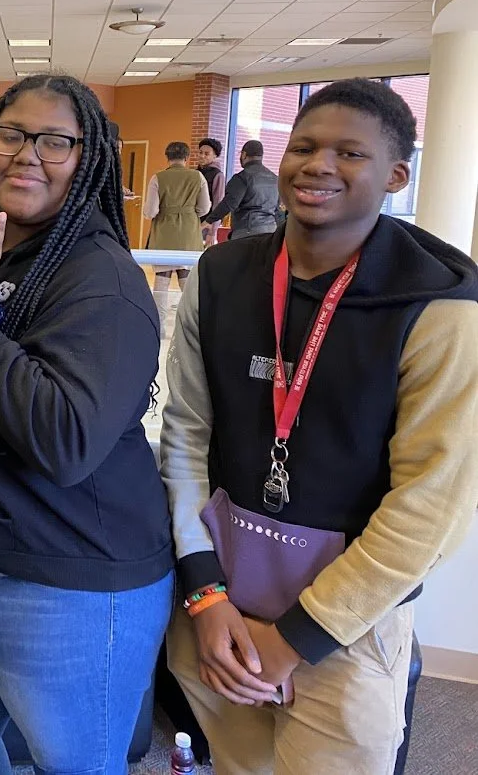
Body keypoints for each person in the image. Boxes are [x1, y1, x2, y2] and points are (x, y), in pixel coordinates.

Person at [160, 79, 478, 775]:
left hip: (348, 629)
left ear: (397, 174)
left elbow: (432, 507)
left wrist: (298, 639)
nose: (317, 164)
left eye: (349, 152)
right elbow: (184, 436)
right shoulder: (221, 274)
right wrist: (207, 595)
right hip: (220, 607)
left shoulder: (439, 302)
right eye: (303, 146)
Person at [0, 75, 174, 774]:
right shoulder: (2, 258)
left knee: (77, 764)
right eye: (11, 134)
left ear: (89, 159)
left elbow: (66, 437)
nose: (28, 154)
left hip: (69, 579)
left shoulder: (103, 280)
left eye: (56, 140)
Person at [144, 141, 209, 318]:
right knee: (187, 280)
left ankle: (160, 324)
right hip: (189, 231)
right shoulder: (198, 177)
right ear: (187, 157)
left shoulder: (158, 178)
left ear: (168, 157)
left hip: (164, 231)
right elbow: (204, 208)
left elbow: (151, 211)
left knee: (162, 281)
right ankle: (191, 321)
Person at [203, 139, 279, 241]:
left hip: (247, 231)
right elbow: (278, 209)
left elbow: (229, 203)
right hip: (271, 232)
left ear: (244, 155)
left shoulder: (242, 177)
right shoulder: (275, 179)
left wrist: (208, 221)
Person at [196, 138, 225, 247]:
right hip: (193, 223)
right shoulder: (195, 173)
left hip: (207, 225)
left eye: (207, 154)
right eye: (200, 152)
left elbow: (218, 203)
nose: (202, 156)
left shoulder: (217, 175)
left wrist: (213, 232)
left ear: (215, 156)